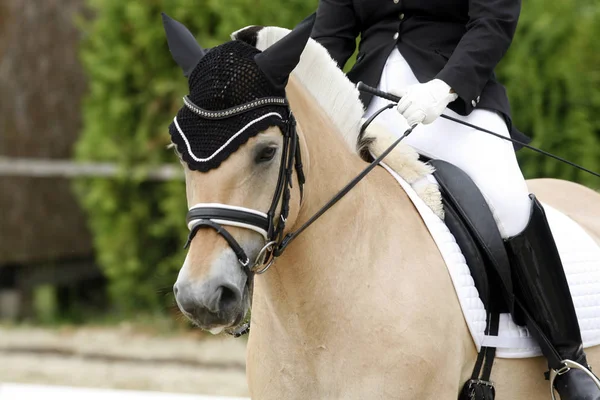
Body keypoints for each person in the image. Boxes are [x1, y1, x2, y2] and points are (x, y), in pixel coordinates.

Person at [311, 1, 600, 398]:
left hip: (455, 104)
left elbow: (493, 20)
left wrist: (446, 86)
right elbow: (331, 37)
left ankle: (567, 360)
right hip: (371, 105)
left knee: (508, 202)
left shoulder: (450, 90)